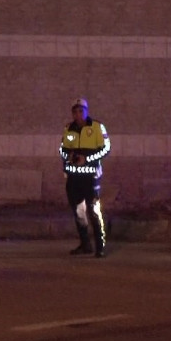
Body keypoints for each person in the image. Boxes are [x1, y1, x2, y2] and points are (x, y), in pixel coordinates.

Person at [59, 98, 111, 258]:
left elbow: (106, 149)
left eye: (81, 111)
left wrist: (87, 158)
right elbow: (62, 150)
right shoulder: (69, 129)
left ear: (87, 111)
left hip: (90, 178)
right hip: (74, 179)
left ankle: (100, 246)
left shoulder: (96, 127)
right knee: (79, 213)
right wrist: (70, 155)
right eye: (75, 111)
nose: (78, 114)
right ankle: (85, 244)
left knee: (94, 212)